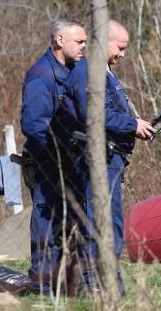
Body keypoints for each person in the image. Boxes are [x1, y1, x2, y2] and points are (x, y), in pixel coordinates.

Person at [65, 20, 155, 293]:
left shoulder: (104, 72)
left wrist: (135, 123)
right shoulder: (87, 72)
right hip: (99, 160)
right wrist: (132, 125)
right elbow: (94, 114)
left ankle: (109, 285)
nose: (123, 54)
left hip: (112, 160)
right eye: (121, 47)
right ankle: (95, 286)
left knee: (112, 224)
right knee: (101, 223)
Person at [20, 19, 87, 296]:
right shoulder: (42, 75)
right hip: (48, 162)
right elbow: (34, 124)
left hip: (71, 163)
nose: (84, 46)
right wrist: (60, 147)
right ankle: (43, 283)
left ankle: (66, 283)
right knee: (46, 223)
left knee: (71, 224)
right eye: (79, 41)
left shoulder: (74, 72)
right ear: (60, 41)